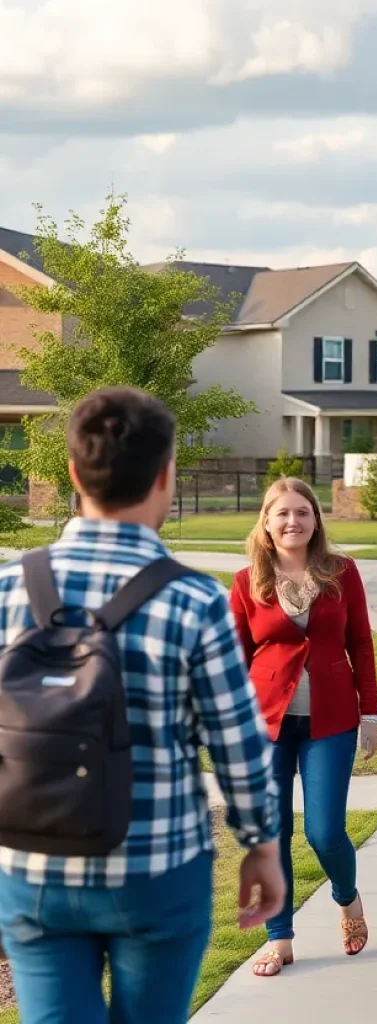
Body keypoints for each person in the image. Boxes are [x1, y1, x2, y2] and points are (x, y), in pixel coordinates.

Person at [0, 387, 283, 1024]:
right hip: (155, 868)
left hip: (30, 864)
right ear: (166, 477)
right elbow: (236, 743)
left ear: (72, 474)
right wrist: (260, 845)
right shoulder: (193, 600)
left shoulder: (8, 590)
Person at [229, 477, 377, 977]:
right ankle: (280, 939)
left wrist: (371, 713)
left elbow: (360, 642)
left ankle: (347, 899)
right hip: (263, 724)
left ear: (316, 519)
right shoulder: (246, 580)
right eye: (282, 513)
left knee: (325, 832)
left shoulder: (343, 572)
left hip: (331, 720)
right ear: (267, 522)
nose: (293, 521)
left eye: (302, 512)